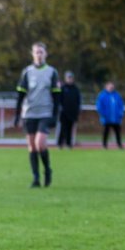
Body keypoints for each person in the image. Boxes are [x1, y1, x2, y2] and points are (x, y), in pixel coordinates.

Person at [13, 42, 60, 187]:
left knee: (40, 144)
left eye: (41, 52)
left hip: (45, 113)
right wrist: (16, 115)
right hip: (29, 114)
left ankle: (47, 170)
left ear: (45, 54)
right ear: (32, 54)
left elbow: (57, 96)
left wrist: (55, 116)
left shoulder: (52, 72)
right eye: (36, 52)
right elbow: (20, 94)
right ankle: (36, 178)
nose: (39, 55)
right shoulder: (27, 72)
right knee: (32, 147)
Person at [96, 81, 125, 149]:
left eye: (112, 86)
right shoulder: (102, 95)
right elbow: (99, 106)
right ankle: (104, 145)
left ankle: (119, 145)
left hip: (116, 118)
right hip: (107, 118)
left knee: (118, 132)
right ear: (106, 87)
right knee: (106, 132)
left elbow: (121, 105)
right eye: (109, 86)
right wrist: (103, 114)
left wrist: (120, 114)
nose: (111, 87)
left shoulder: (117, 95)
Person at [56, 71, 81, 148]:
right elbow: (58, 99)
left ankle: (69, 144)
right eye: (68, 78)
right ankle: (60, 144)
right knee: (63, 128)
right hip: (63, 113)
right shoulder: (62, 88)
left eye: (71, 78)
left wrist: (77, 111)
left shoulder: (76, 89)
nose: (70, 79)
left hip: (72, 113)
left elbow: (78, 101)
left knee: (70, 129)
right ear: (66, 78)